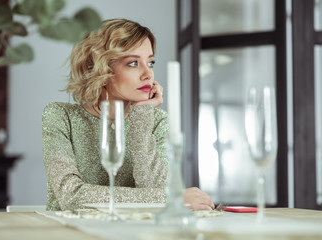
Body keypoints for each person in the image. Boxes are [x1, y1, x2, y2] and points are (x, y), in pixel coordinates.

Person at [42, 18, 214, 211]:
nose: (148, 74)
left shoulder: (156, 121)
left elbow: (156, 191)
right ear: (101, 69)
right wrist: (171, 197)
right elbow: (71, 196)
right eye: (133, 63)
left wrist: (141, 119)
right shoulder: (60, 116)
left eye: (150, 62)